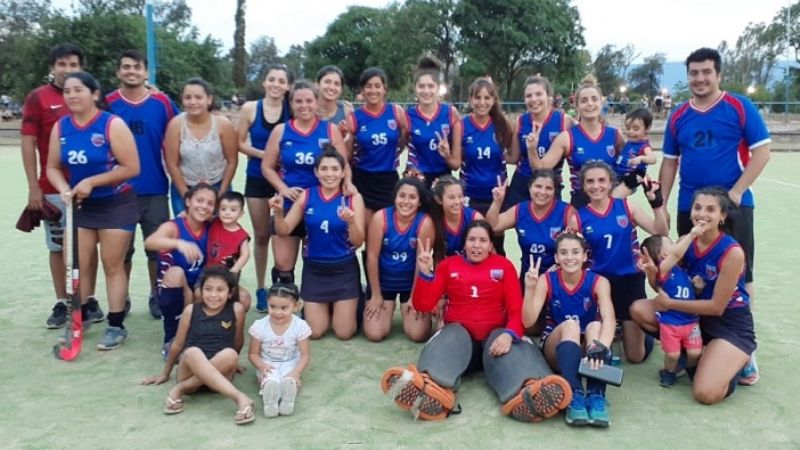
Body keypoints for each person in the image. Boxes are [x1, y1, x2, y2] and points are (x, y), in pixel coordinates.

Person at [380, 221, 572, 423]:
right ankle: (430, 387)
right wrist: (426, 273)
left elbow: (516, 311)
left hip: (495, 344)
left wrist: (509, 335)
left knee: (513, 342)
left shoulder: (503, 266)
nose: (476, 245)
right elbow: (423, 305)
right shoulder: (448, 265)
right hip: (461, 346)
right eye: (472, 239)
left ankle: (529, 391)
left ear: (491, 245)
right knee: (450, 333)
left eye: (482, 240)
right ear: (464, 243)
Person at [659, 48, 769, 384]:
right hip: (690, 208)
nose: (700, 78)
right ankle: (695, 341)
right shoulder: (679, 116)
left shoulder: (738, 107)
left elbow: (762, 152)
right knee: (689, 274)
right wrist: (661, 203)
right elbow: (669, 162)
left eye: (706, 72)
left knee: (741, 273)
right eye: (693, 73)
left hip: (734, 207)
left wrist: (736, 192)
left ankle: (745, 353)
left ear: (718, 74)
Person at [631, 188, 756, 404]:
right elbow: (664, 286)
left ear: (722, 216)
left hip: (728, 323)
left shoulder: (732, 252)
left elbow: (717, 307)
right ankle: (691, 354)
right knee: (639, 309)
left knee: (705, 393)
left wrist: (670, 304)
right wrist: (652, 274)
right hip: (693, 318)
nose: (702, 214)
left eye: (711, 209)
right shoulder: (685, 242)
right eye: (697, 208)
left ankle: (739, 362)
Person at [46, 72, 140, 350]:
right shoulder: (61, 127)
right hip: (81, 207)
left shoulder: (112, 124)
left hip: (115, 203)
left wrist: (91, 181)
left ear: (95, 94)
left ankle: (115, 324)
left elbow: (131, 168)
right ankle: (79, 318)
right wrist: (63, 186)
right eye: (67, 91)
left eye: (78, 90)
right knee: (78, 264)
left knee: (113, 265)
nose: (72, 95)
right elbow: (52, 166)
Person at [21, 43, 101, 328]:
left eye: (73, 65)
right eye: (61, 64)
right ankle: (62, 302)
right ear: (52, 67)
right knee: (57, 247)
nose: (67, 71)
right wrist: (34, 187)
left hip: (90, 188)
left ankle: (88, 300)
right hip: (53, 190)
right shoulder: (38, 98)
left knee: (87, 248)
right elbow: (28, 143)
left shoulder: (88, 95)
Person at [107, 49, 178, 319]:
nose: (131, 72)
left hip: (155, 188)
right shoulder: (108, 103)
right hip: (117, 192)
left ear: (146, 73)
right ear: (118, 72)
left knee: (157, 250)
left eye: (137, 67)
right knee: (121, 254)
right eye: (126, 67)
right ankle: (120, 298)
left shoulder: (162, 103)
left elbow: (180, 130)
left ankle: (156, 294)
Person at [262, 80, 351, 288]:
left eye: (309, 100)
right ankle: (285, 309)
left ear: (316, 102)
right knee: (283, 264)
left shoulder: (329, 130)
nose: (304, 106)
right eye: (298, 101)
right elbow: (267, 167)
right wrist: (283, 189)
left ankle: (313, 303)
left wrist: (347, 184)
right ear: (291, 103)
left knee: (316, 257)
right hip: (290, 202)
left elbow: (344, 163)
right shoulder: (281, 131)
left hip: (321, 203)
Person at [522, 231, 616, 427]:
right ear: (556, 257)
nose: (570, 257)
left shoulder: (599, 282)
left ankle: (595, 395)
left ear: (584, 256)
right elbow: (528, 321)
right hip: (556, 348)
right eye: (563, 253)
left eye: (575, 252)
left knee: (595, 326)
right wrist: (529, 289)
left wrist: (602, 347)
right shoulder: (546, 280)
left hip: (587, 353)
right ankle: (574, 395)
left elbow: (610, 319)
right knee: (571, 326)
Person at [577, 161, 668, 363]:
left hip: (629, 280)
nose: (596, 186)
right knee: (590, 349)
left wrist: (657, 204)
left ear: (611, 183)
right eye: (590, 181)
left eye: (602, 180)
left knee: (636, 357)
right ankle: (614, 324)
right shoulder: (579, 217)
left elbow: (661, 233)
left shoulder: (626, 206)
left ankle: (649, 332)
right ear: (583, 186)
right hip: (598, 284)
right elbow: (574, 257)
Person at [270, 149, 365, 339]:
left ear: (343, 172)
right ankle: (328, 307)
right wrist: (278, 213)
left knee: (344, 333)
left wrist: (352, 222)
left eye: (334, 169)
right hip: (315, 271)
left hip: (344, 269)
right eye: (324, 169)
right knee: (315, 332)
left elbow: (358, 242)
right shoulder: (306, 196)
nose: (329, 174)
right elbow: (284, 230)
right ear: (316, 172)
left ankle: (357, 297)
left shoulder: (353, 198)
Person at [142, 266, 254, 425]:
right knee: (192, 351)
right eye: (208, 289)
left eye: (220, 290)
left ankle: (178, 390)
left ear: (230, 292)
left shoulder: (236, 309)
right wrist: (165, 373)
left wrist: (232, 363)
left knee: (230, 354)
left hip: (220, 375)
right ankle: (239, 398)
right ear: (200, 291)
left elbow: (237, 341)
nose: (213, 295)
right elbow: (178, 344)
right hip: (190, 371)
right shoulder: (191, 310)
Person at [237, 63, 293, 313]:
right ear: (264, 82)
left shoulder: (291, 110)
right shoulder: (250, 109)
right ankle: (260, 287)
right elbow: (239, 143)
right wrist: (266, 154)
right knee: (261, 235)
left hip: (285, 180)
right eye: (272, 79)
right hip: (257, 178)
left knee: (286, 233)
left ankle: (284, 284)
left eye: (281, 81)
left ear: (288, 86)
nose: (276, 84)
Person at [531, 75, 623, 209]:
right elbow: (541, 168)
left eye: (594, 99)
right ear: (576, 105)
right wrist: (531, 148)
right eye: (584, 100)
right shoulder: (567, 137)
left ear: (601, 102)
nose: (590, 104)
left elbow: (633, 168)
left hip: (612, 202)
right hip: (581, 205)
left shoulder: (615, 135)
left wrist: (624, 190)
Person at [363, 177, 437, 342]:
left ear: (419, 202)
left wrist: (415, 297)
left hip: (410, 283)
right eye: (401, 196)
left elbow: (421, 263)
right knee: (375, 334)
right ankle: (377, 300)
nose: (406, 201)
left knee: (418, 335)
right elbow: (372, 257)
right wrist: (376, 294)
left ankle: (405, 305)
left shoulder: (424, 223)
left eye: (412, 197)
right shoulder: (380, 218)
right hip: (384, 282)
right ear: (395, 197)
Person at [145, 183, 217, 354]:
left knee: (242, 298)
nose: (204, 206)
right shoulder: (174, 227)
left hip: (200, 289)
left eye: (210, 203)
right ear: (188, 201)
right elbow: (150, 242)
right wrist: (178, 243)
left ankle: (205, 337)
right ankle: (171, 338)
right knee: (176, 273)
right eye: (199, 200)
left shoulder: (212, 226)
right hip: (175, 289)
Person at [486, 169, 579, 292]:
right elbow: (492, 227)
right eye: (538, 186)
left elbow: (579, 248)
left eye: (548, 188)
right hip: (528, 278)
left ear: (555, 191)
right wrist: (497, 202)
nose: (542, 192)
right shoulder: (521, 210)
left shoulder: (566, 212)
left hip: (557, 280)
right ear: (530, 187)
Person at [639, 223, 706, 387]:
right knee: (672, 354)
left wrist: (697, 287)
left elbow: (690, 294)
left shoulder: (682, 270)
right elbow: (676, 254)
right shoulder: (664, 269)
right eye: (670, 243)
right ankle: (669, 372)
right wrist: (691, 235)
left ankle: (690, 368)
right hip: (672, 323)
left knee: (695, 352)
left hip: (691, 322)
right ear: (663, 254)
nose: (675, 244)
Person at [345, 67, 409, 227]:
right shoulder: (354, 118)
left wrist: (394, 152)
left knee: (387, 229)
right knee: (366, 229)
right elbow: (346, 155)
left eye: (377, 85)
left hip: (388, 179)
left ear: (384, 89)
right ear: (362, 90)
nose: (373, 90)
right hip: (363, 178)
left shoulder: (396, 112)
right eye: (368, 86)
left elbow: (404, 138)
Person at [164, 78, 238, 215]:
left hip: (218, 184)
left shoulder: (222, 125)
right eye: (188, 97)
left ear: (209, 99)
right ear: (182, 100)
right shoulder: (175, 125)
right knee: (187, 232)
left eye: (198, 97)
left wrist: (220, 194)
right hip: (184, 186)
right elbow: (172, 164)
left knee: (218, 232)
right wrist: (187, 196)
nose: (193, 102)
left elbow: (232, 161)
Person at [459, 77, 514, 255]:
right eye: (477, 97)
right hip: (470, 195)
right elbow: (455, 160)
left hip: (496, 196)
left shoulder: (502, 124)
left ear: (493, 100)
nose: (482, 102)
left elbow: (513, 156)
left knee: (496, 245)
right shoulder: (462, 125)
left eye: (487, 98)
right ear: (470, 99)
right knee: (473, 244)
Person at [507, 75, 574, 207]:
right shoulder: (520, 121)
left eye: (538, 94)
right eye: (529, 96)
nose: (533, 99)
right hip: (522, 185)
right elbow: (513, 157)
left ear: (549, 97)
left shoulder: (564, 121)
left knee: (554, 226)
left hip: (549, 186)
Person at [248, 283, 311, 418]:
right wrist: (261, 365)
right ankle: (270, 401)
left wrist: (296, 371)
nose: (277, 312)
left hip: (291, 361)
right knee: (270, 379)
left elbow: (305, 355)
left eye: (284, 308)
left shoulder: (299, 326)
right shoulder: (260, 326)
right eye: (272, 307)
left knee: (288, 379)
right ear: (267, 304)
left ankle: (288, 399)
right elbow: (253, 354)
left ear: (295, 306)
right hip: (267, 362)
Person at [405, 55, 462, 186]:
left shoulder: (450, 113)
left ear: (438, 88)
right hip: (416, 178)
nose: (426, 91)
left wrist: (447, 155)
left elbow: (456, 165)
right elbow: (401, 144)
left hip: (443, 179)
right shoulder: (408, 116)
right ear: (415, 88)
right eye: (421, 86)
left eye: (431, 86)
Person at [430, 176, 483, 257]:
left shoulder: (475, 218)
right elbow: (437, 257)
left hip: (472, 266)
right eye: (452, 197)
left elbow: (487, 251)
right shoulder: (433, 221)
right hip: (446, 267)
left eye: (460, 196)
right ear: (439, 200)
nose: (457, 202)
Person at [612, 108, 657, 198]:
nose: (631, 132)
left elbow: (653, 159)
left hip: (629, 177)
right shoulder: (631, 142)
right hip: (618, 174)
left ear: (647, 128)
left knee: (613, 198)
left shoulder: (644, 146)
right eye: (628, 128)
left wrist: (640, 158)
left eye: (636, 129)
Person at [206, 191, 251, 279]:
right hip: (208, 269)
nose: (227, 213)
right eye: (223, 209)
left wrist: (233, 271)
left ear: (241, 214)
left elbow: (245, 254)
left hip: (227, 272)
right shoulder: (215, 221)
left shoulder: (241, 235)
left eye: (233, 210)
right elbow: (203, 215)